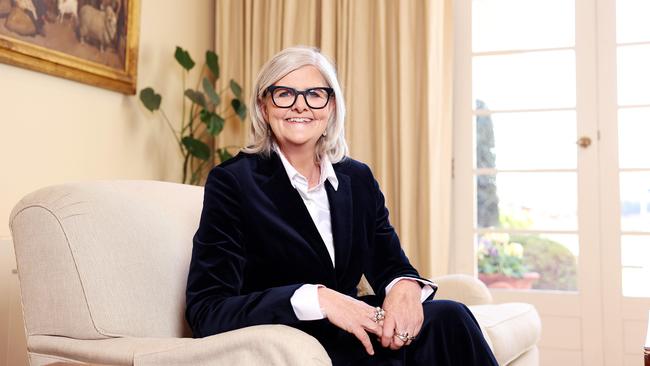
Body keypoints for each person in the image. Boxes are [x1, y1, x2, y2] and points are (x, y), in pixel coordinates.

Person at [185, 46, 497, 365]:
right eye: (284, 94)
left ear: (331, 106)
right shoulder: (233, 182)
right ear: (264, 106)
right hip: (293, 346)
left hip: (356, 336)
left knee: (449, 317)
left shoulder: (356, 178)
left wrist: (405, 286)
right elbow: (207, 310)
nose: (300, 105)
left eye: (315, 94)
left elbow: (389, 262)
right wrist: (318, 299)